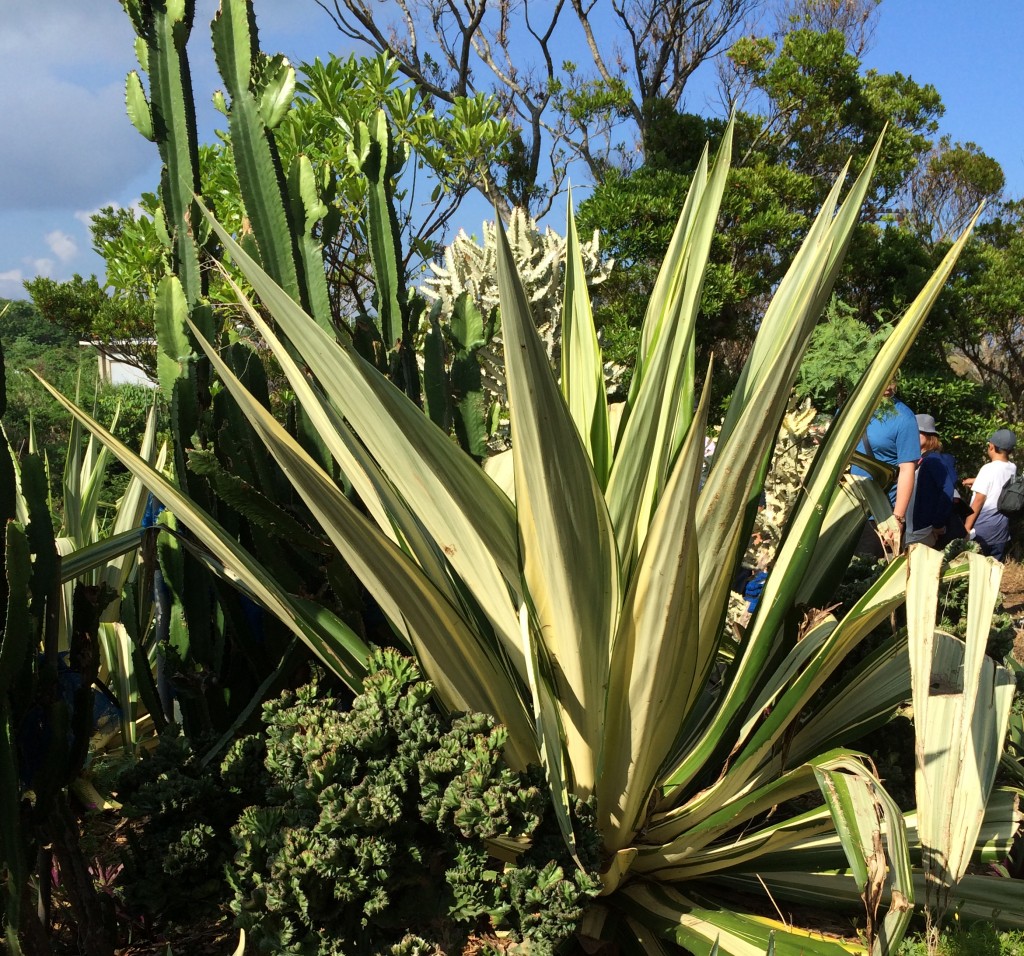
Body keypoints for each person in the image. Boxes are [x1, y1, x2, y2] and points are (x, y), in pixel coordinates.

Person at [852, 379, 918, 554]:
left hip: (879, 516)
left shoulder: (904, 418)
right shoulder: (850, 411)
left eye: (893, 380)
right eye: (885, 380)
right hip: (845, 511)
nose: (889, 386)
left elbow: (907, 469)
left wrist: (897, 519)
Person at [905, 414, 965, 548]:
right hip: (917, 528)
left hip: (922, 530)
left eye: (917, 432)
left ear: (929, 436)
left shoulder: (932, 460)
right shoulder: (922, 460)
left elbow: (947, 490)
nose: (911, 436)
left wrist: (938, 524)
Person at [963, 428, 1018, 561]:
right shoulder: (1012, 468)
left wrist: (966, 528)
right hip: (1000, 532)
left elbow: (979, 500)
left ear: (992, 447)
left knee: (976, 571)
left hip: (981, 531)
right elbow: (1001, 482)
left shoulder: (987, 469)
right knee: (993, 572)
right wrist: (976, 481)